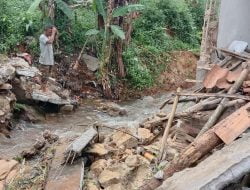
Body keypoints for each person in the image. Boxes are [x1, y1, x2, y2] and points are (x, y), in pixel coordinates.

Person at [39, 24, 57, 92]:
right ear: (45, 30)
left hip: (49, 60)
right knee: (44, 75)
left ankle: (43, 87)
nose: (50, 33)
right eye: (49, 32)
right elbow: (50, 41)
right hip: (44, 61)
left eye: (51, 32)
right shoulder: (42, 37)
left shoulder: (49, 36)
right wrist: (53, 32)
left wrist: (54, 32)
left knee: (47, 75)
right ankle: (43, 88)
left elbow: (53, 39)